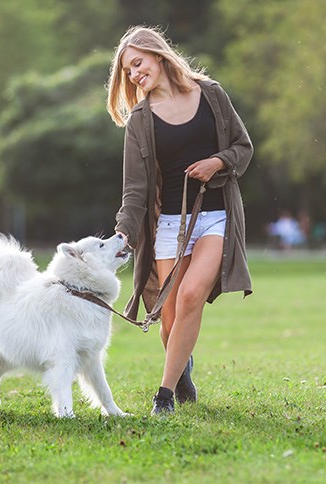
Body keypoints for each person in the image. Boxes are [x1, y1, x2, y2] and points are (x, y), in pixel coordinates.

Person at [107, 26, 253, 415]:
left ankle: (164, 396)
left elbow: (243, 146)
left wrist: (218, 162)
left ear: (157, 54)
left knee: (191, 297)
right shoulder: (141, 119)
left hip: (216, 216)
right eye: (128, 71)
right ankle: (182, 364)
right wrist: (124, 229)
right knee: (168, 321)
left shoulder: (211, 95)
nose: (135, 74)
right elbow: (134, 189)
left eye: (138, 63)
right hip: (170, 224)